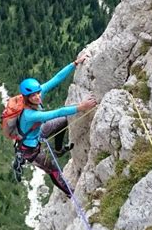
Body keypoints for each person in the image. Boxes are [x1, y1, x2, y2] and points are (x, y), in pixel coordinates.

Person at [14, 54, 96, 197]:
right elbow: (56, 113)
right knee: (53, 169)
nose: (38, 96)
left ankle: (58, 149)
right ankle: (71, 193)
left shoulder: (36, 96)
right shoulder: (29, 114)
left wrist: (74, 63)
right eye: (33, 95)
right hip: (31, 149)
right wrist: (81, 107)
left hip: (38, 133)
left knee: (64, 120)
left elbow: (55, 79)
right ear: (27, 98)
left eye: (38, 93)